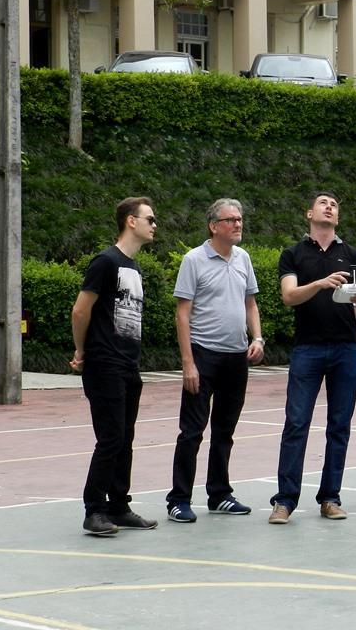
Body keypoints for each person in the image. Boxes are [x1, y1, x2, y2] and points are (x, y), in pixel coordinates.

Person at [268, 192, 356, 524]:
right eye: (323, 203)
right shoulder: (293, 254)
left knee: (339, 426)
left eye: (335, 206)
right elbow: (289, 296)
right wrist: (321, 282)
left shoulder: (351, 254)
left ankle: (330, 497)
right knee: (296, 424)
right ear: (309, 213)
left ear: (337, 218)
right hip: (307, 349)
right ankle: (284, 501)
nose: (329, 207)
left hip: (344, 349)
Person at [165, 199, 265, 523]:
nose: (238, 224)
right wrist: (188, 363)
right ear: (213, 225)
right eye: (231, 220)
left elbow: (250, 303)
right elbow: (183, 314)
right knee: (192, 432)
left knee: (225, 430)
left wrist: (258, 338)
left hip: (236, 357)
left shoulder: (243, 259)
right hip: (203, 355)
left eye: (240, 219)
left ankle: (219, 494)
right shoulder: (193, 260)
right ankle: (178, 499)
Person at [71, 196, 159, 536]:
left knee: (125, 438)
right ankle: (94, 510)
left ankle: (118, 507)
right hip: (104, 364)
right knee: (110, 438)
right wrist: (83, 351)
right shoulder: (105, 262)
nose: (155, 225)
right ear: (130, 222)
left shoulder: (133, 268)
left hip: (127, 365)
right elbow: (80, 311)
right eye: (149, 219)